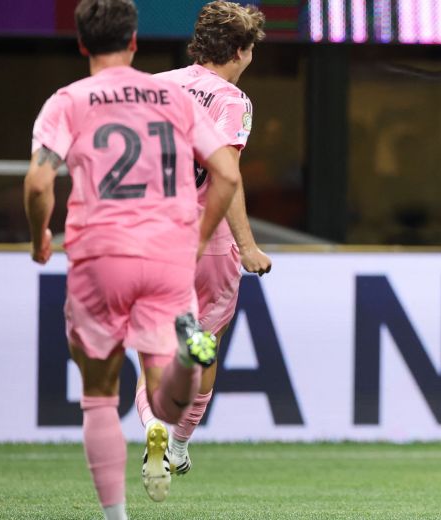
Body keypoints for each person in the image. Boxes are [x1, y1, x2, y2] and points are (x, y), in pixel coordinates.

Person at [23, 0, 241, 518]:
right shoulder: (171, 97)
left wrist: (39, 240)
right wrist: (197, 236)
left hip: (99, 253)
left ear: (81, 44)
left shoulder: (68, 101)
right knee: (165, 394)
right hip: (167, 254)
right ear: (135, 41)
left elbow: (37, 183)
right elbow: (228, 175)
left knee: (100, 395)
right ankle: (191, 356)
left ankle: (115, 516)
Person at [132, 0, 272, 487]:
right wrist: (249, 246)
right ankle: (178, 443)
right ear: (239, 49)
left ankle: (151, 425)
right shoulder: (232, 100)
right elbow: (225, 176)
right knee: (202, 345)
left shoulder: (153, 87)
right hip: (205, 239)